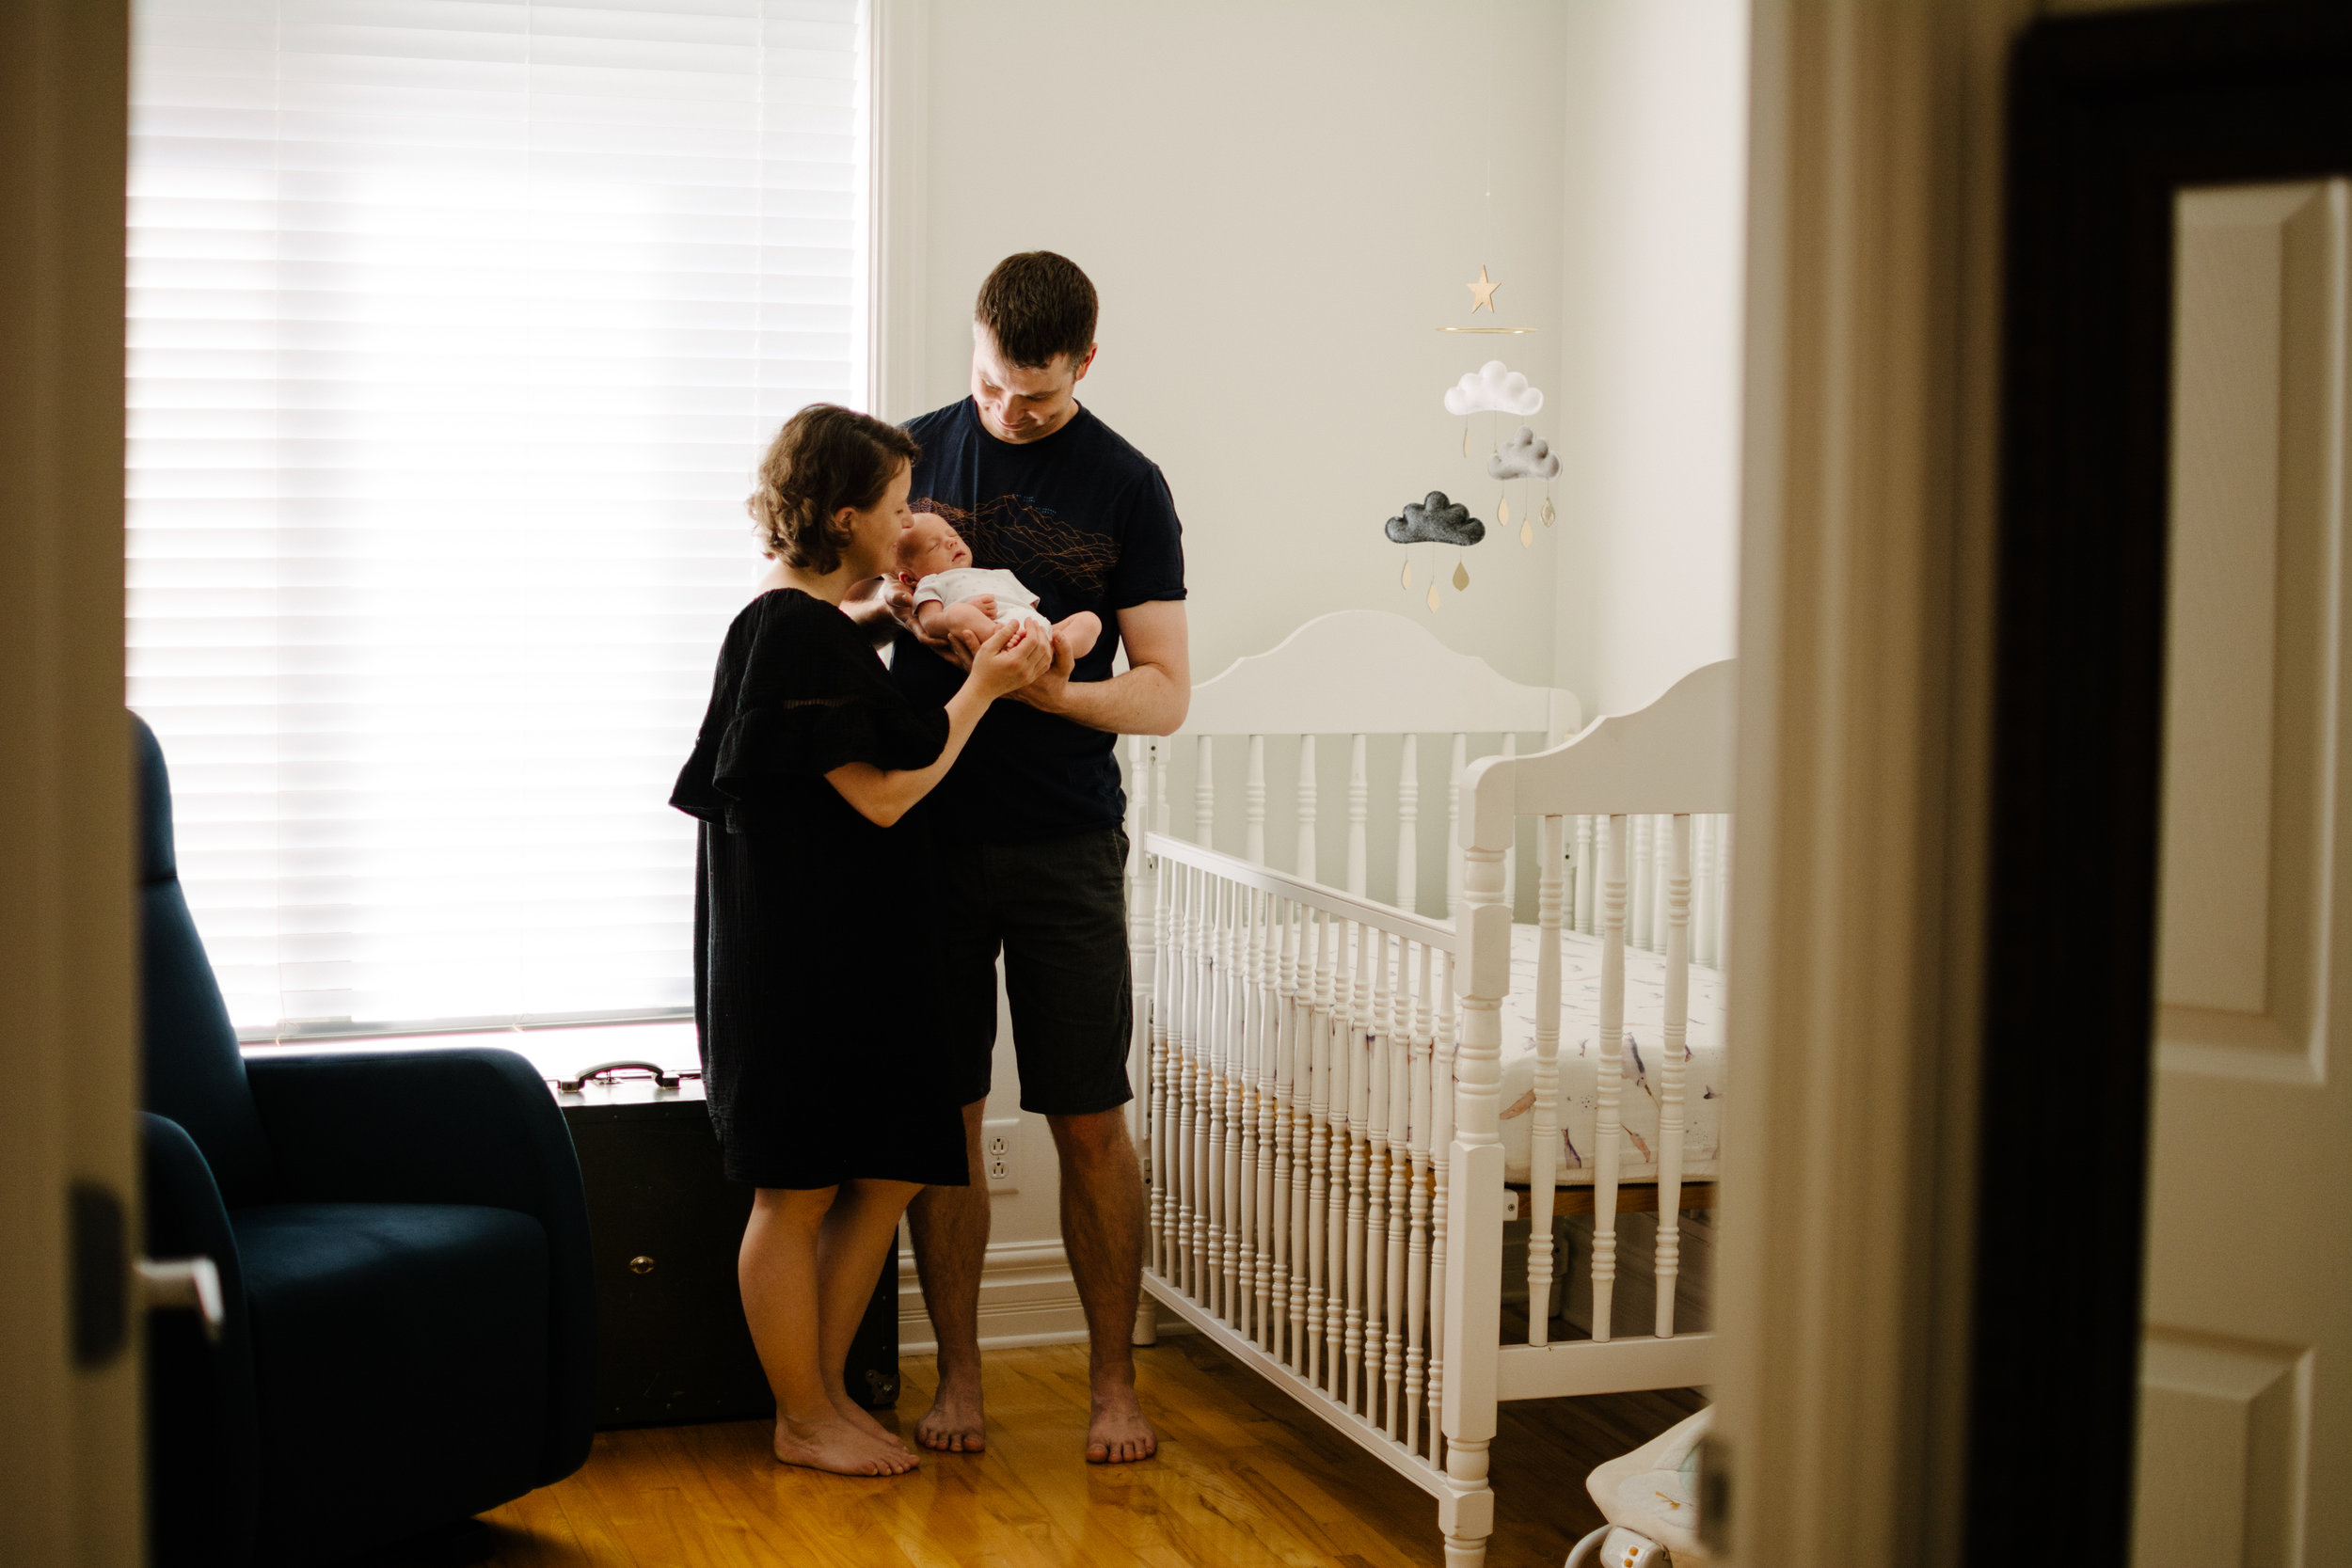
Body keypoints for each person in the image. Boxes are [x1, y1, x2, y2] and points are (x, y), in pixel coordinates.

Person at [669, 403, 1051, 1478]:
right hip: (797, 962)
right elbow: (884, 797)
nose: (908, 523)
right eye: (893, 508)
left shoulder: (803, 627)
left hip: (851, 951)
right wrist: (982, 689)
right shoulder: (785, 629)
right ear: (843, 516)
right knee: (793, 1192)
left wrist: (898, 617)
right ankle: (803, 1413)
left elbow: (832, 714)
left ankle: (823, 1394)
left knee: (883, 1170)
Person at [882, 251, 1190, 1465]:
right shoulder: (901, 454)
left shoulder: (1128, 484)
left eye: (1041, 400)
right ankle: (959, 1376)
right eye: (997, 389)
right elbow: (817, 612)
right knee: (944, 1114)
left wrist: (1050, 693)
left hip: (1064, 840)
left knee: (1090, 1114)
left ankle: (1114, 1382)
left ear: (1088, 365)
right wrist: (897, 619)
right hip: (926, 836)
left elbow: (1163, 695)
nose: (1012, 417)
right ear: (975, 346)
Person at [895, 510, 1103, 661]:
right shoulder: (932, 582)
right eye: (934, 546)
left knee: (1090, 621)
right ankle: (1005, 643)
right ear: (910, 579)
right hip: (995, 632)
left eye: (952, 535)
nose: (951, 542)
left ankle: (1051, 650)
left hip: (1035, 631)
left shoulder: (1001, 574)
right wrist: (970, 611)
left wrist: (1036, 630)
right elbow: (931, 623)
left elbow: (1030, 608)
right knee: (957, 613)